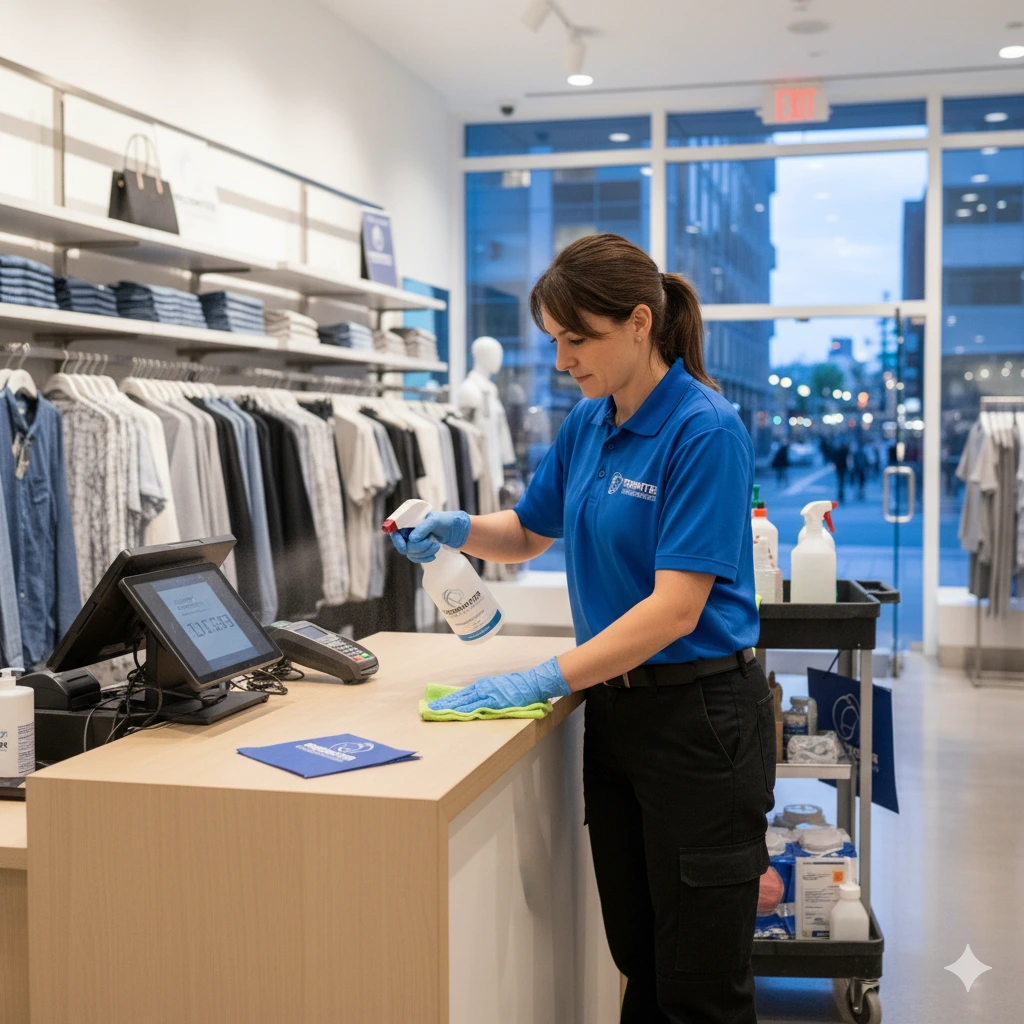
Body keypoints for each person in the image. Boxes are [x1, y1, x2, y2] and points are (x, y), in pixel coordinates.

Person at [391, 233, 775, 1024]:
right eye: (556, 340)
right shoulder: (589, 425)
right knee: (639, 963)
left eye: (578, 338)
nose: (564, 359)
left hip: (701, 726)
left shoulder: (704, 431)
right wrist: (455, 527)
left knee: (701, 988)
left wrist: (544, 676)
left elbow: (677, 608)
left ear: (640, 323)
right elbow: (530, 531)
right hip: (620, 718)